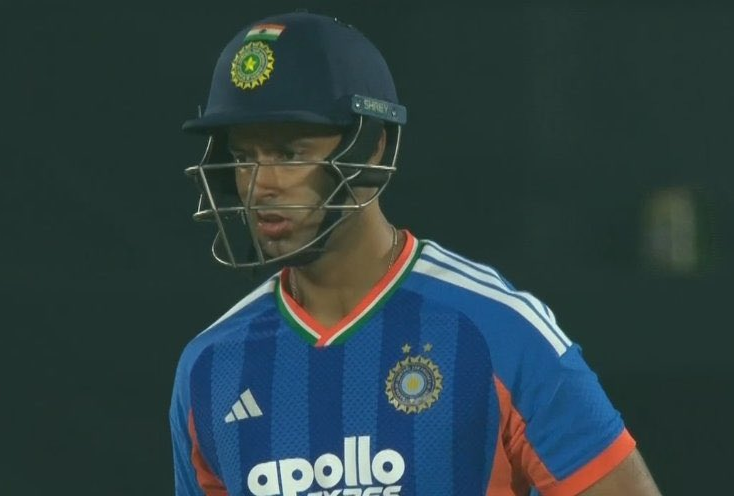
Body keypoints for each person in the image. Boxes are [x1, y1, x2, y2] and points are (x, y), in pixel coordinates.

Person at [170, 11, 661, 496]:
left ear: (372, 146)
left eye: (290, 153)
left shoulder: (496, 331)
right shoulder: (210, 367)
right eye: (244, 157)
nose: (260, 185)